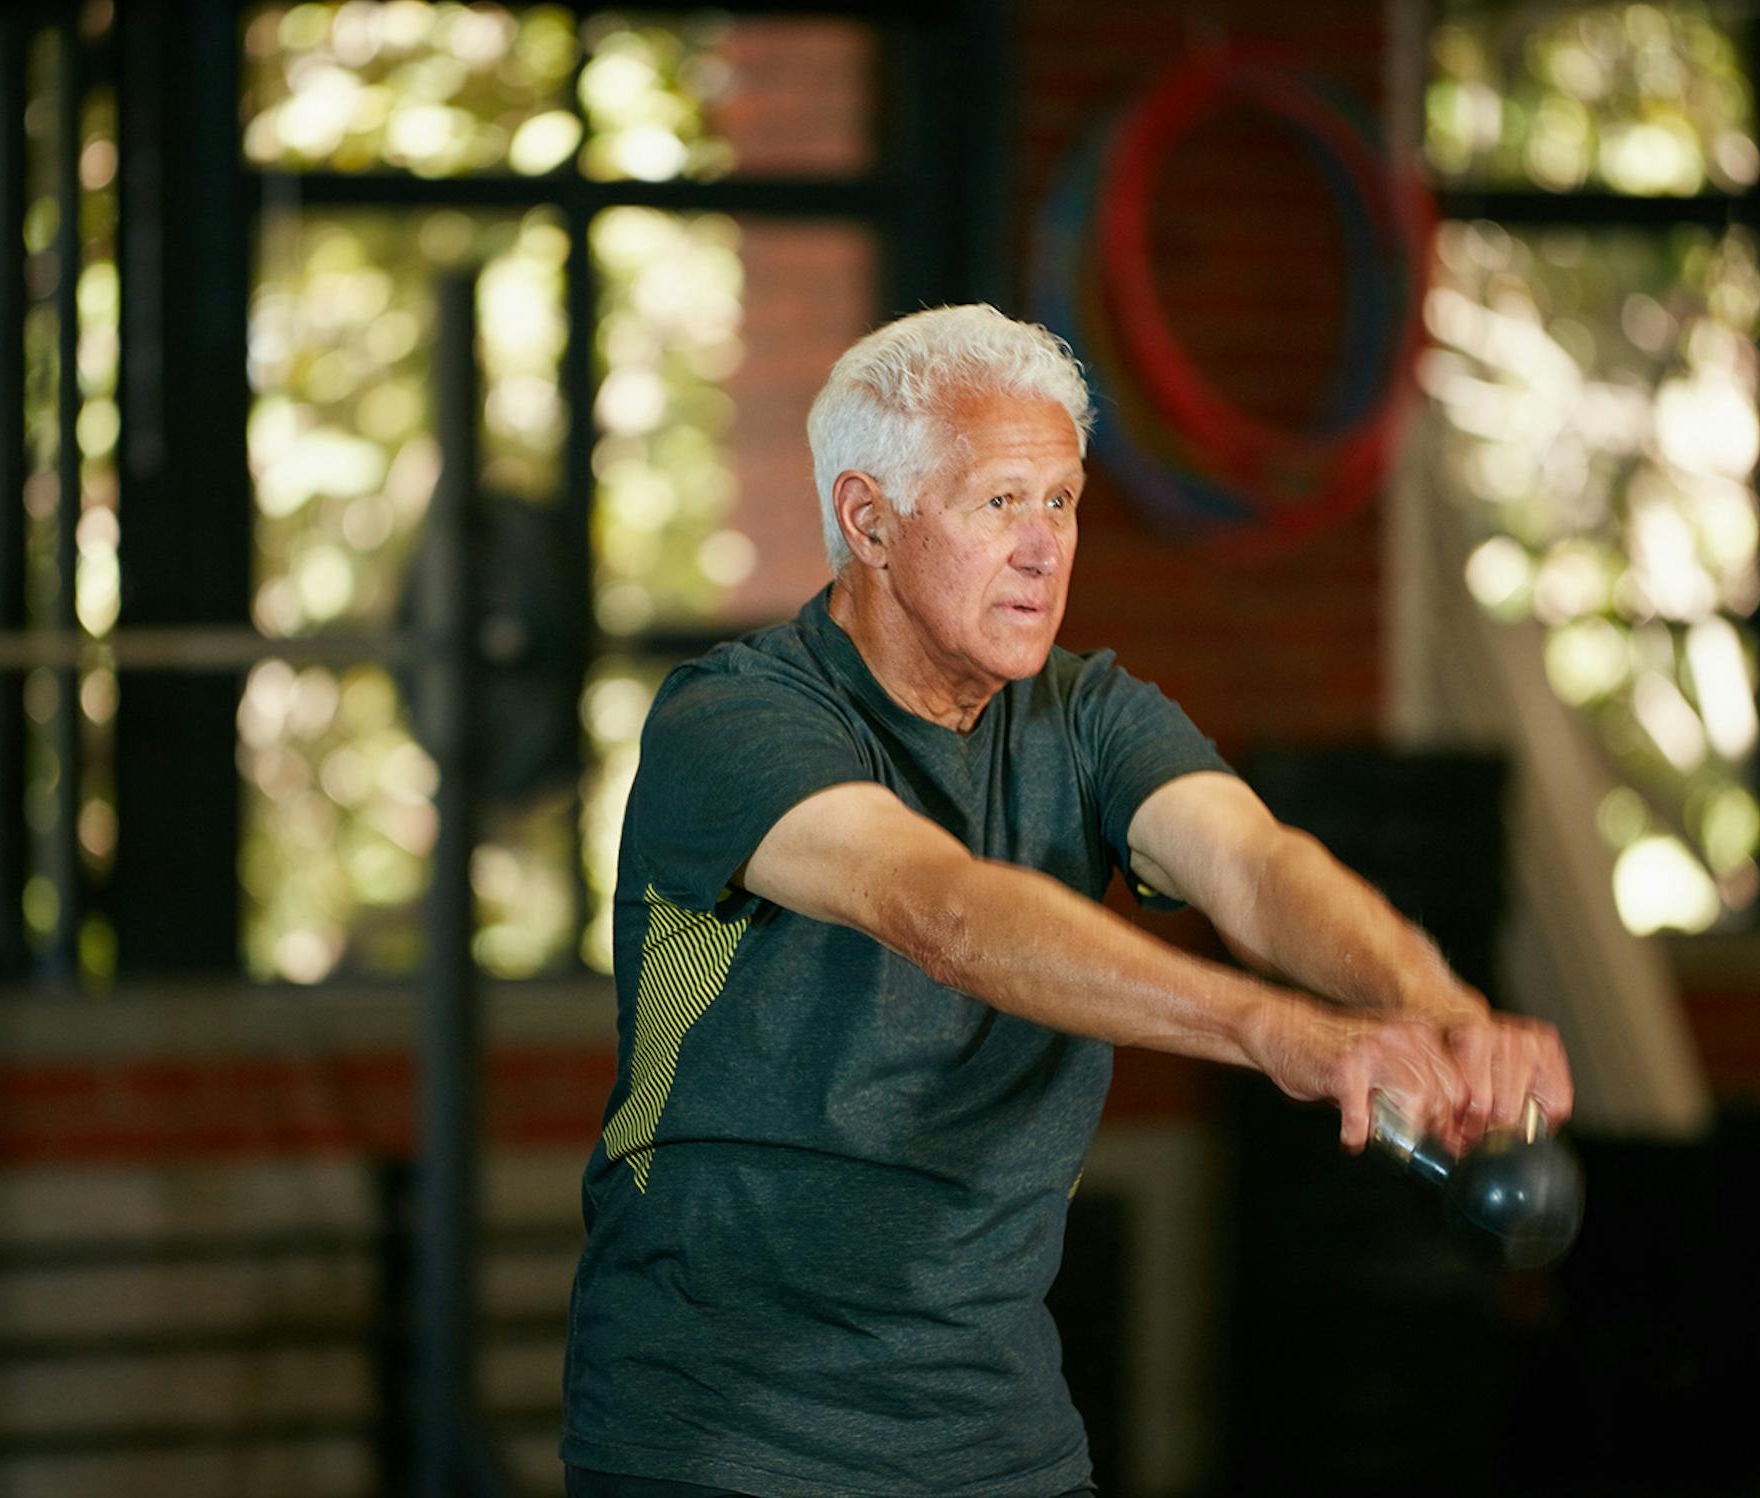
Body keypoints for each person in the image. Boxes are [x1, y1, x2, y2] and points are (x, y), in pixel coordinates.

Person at [560, 304, 1572, 1498]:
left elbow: (1255, 866)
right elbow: (944, 913)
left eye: (1063, 501)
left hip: (998, 1436)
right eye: (1000, 503)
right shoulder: (734, 723)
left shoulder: (1090, 716)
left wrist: (1438, 1010)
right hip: (725, 1436)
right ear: (868, 520)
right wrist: (1276, 1029)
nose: (1045, 548)